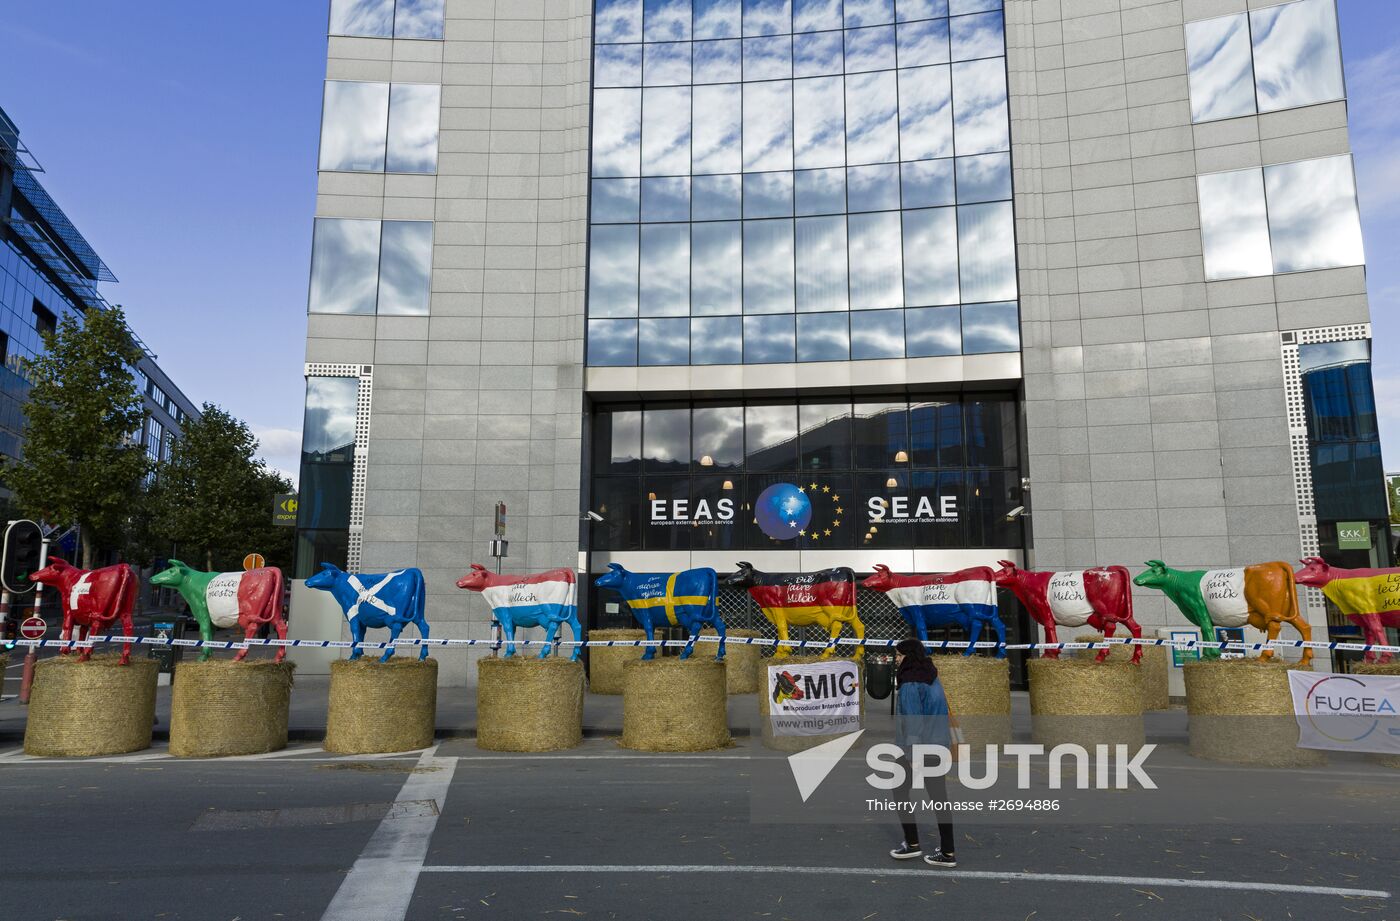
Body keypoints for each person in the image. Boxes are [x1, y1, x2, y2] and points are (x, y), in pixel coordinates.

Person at [888, 638, 958, 867]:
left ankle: (912, 843)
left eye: (899, 656)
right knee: (939, 799)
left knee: (899, 792)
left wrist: (911, 756)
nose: (896, 660)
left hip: (918, 747)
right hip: (938, 743)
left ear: (908, 656)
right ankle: (947, 851)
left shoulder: (909, 682)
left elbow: (914, 721)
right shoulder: (931, 674)